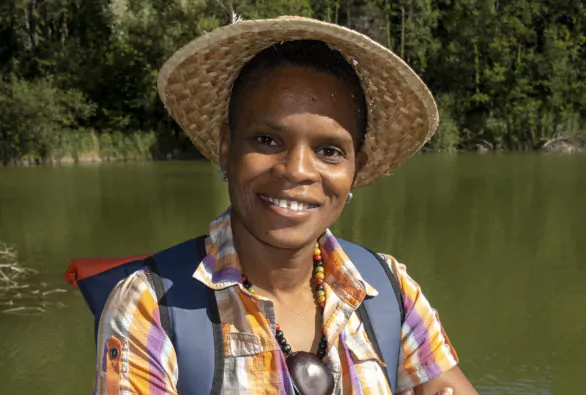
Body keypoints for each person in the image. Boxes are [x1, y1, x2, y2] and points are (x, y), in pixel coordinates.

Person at [92, 16, 477, 395]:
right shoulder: (150, 307)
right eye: (266, 140)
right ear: (228, 147)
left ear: (354, 168)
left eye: (329, 151)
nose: (296, 171)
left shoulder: (391, 291)